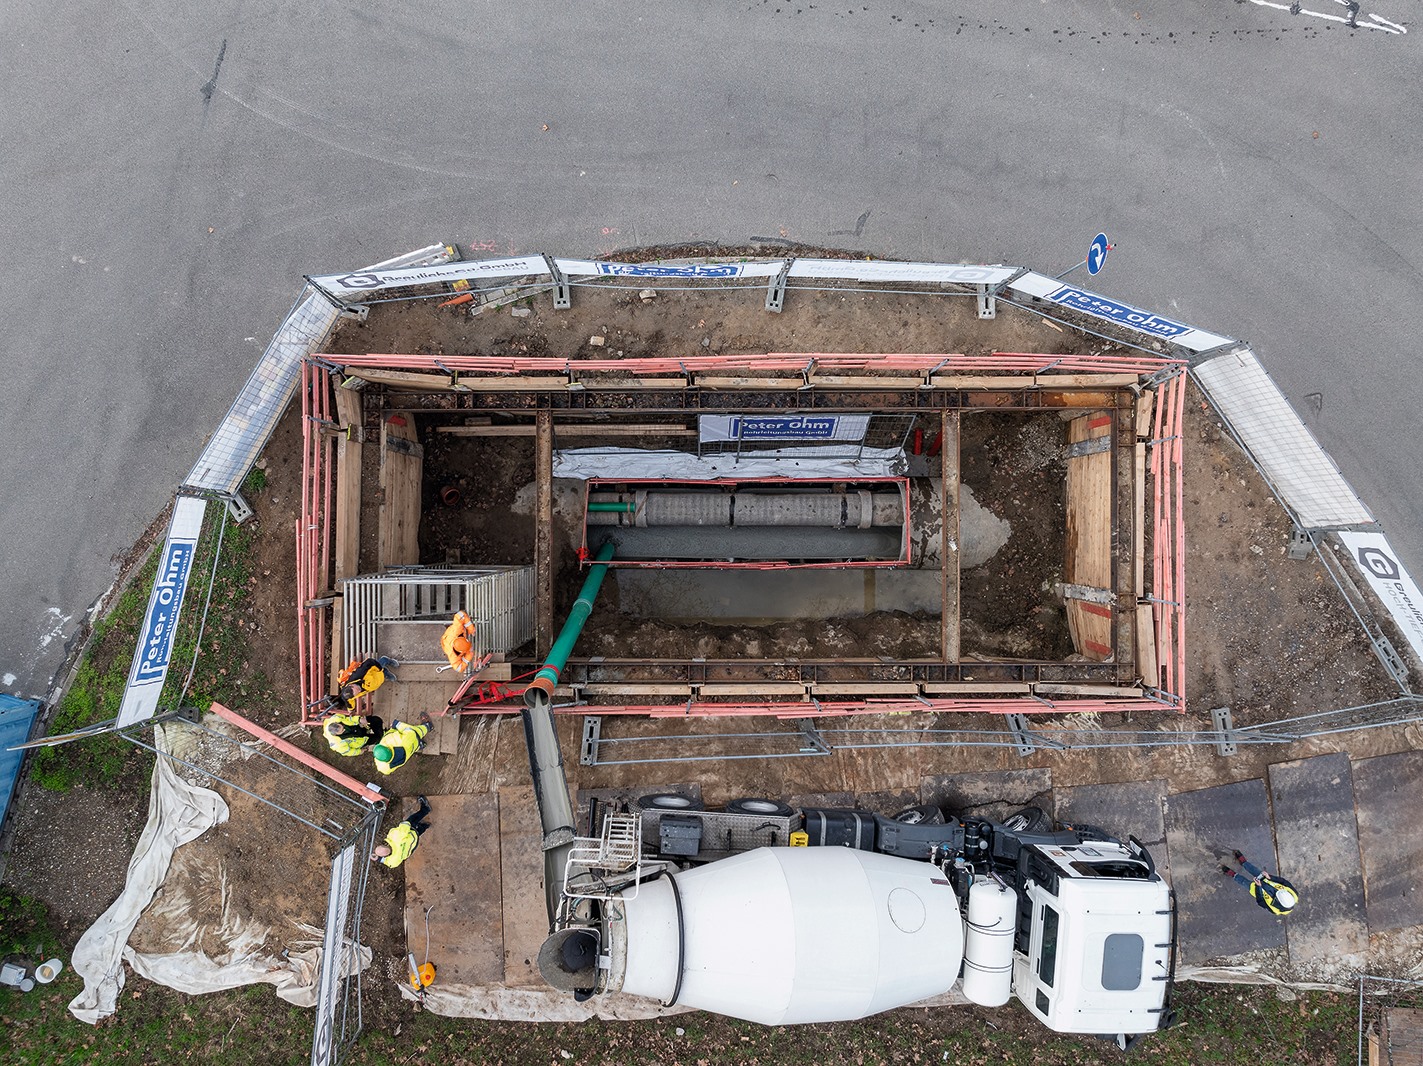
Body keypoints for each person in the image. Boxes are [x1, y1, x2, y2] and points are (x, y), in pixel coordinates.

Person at [1221, 849, 1300, 915]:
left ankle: (1233, 874)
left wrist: (1258, 887)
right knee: (1253, 870)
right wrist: (1270, 877)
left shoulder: (1274, 909)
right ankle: (1244, 863)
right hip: (1266, 879)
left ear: (1278, 901)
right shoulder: (1294, 894)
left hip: (1256, 889)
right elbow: (1283, 882)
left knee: (1244, 882)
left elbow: (1260, 901)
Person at [372, 796, 432, 869]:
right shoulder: (395, 836)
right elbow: (406, 825)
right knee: (412, 820)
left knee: (419, 831)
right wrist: (406, 823)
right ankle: (425, 809)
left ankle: (425, 826)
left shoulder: (393, 861)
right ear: (385, 844)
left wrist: (378, 859)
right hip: (410, 833)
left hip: (412, 843)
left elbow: (388, 863)